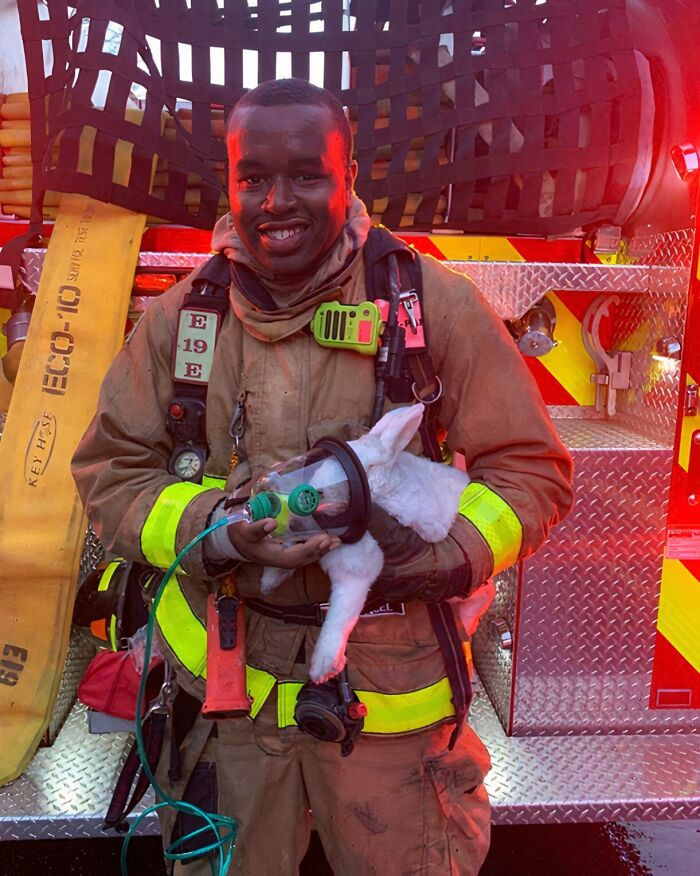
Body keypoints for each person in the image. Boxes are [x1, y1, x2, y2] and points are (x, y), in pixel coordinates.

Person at [72, 78, 574, 875]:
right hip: (226, 713)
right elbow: (111, 472)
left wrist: (440, 557)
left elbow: (530, 471)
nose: (277, 201)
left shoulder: (431, 307)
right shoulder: (183, 323)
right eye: (253, 178)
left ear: (348, 177)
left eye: (307, 174)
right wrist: (218, 531)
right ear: (230, 183)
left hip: (391, 701)